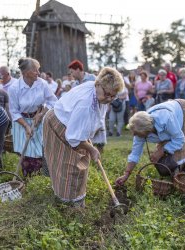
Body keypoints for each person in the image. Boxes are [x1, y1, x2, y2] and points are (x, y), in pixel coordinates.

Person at [43, 67, 124, 207]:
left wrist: (87, 138)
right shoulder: (85, 105)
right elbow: (73, 138)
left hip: (72, 127)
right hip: (58, 126)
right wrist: (91, 149)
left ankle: (77, 201)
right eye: (107, 94)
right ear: (98, 85)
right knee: (67, 168)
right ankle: (68, 206)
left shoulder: (97, 92)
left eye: (113, 96)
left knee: (80, 163)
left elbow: (92, 121)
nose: (109, 99)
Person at [116, 99, 185, 186]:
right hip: (172, 114)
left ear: (148, 130)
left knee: (182, 149)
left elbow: (179, 140)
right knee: (165, 150)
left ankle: (183, 177)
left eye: (138, 134)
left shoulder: (165, 119)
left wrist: (161, 151)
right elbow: (135, 153)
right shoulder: (138, 128)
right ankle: (174, 176)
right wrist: (126, 174)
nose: (135, 136)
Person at [8, 57, 57, 176]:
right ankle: (29, 180)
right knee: (28, 154)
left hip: (38, 120)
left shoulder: (42, 83)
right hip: (21, 122)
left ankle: (43, 178)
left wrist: (41, 113)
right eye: (35, 70)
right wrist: (26, 126)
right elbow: (14, 112)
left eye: (38, 69)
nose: (38, 73)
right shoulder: (14, 88)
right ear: (25, 73)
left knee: (41, 151)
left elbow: (53, 101)